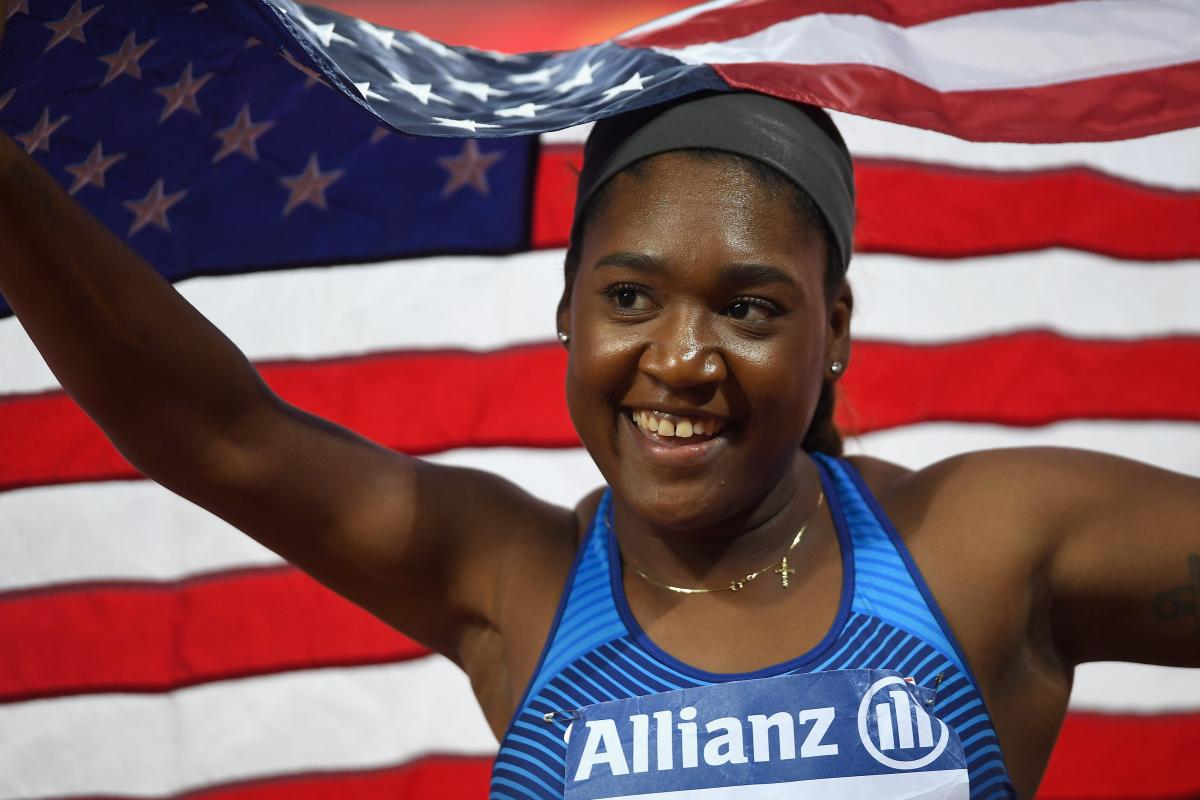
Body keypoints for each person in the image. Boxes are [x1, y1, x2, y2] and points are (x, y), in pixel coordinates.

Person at [2, 10, 1198, 798]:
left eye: (751, 307)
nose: (681, 358)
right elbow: (211, 430)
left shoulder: (990, 546)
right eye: (631, 295)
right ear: (567, 310)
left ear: (835, 327)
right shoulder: (511, 579)